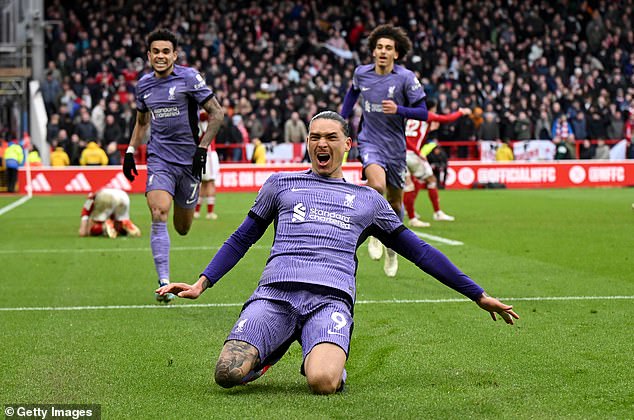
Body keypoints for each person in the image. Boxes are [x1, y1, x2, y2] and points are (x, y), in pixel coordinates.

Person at [156, 111, 519, 395]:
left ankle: (322, 355)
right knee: (226, 374)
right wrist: (203, 282)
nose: (321, 143)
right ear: (308, 144)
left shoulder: (368, 201)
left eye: (330, 137)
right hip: (275, 295)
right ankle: (274, 348)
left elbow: (419, 252)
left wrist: (477, 294)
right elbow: (241, 238)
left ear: (348, 144)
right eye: (315, 137)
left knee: (323, 383)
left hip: (329, 301)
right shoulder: (280, 185)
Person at [122, 28, 224, 303]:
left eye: (166, 51)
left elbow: (217, 113)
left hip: (189, 163)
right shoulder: (143, 85)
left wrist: (202, 147)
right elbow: (142, 123)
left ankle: (183, 217)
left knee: (182, 227)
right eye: (156, 51)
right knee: (158, 212)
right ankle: (164, 283)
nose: (160, 56)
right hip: (159, 160)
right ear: (149, 55)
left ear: (174, 55)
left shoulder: (189, 78)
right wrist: (131, 150)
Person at [340, 24, 428, 277]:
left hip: (396, 148)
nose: (382, 51)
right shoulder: (362, 74)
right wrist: (340, 121)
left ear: (396, 54)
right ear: (373, 51)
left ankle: (392, 250)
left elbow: (422, 112)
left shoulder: (406, 78)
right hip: (370, 142)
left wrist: (400, 110)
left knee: (395, 201)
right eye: (379, 47)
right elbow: (351, 97)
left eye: (388, 48)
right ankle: (374, 235)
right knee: (376, 186)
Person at [403, 102, 470, 228]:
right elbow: (447, 119)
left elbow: (405, 136)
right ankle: (437, 213)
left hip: (399, 154)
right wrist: (461, 112)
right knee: (431, 180)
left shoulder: (409, 116)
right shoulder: (426, 115)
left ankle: (409, 214)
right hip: (412, 155)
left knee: (409, 185)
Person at [194, 111, 219, 220]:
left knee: (203, 183)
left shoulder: (196, 122)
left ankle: (196, 211)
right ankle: (210, 212)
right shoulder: (205, 121)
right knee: (210, 182)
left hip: (200, 153)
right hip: (209, 153)